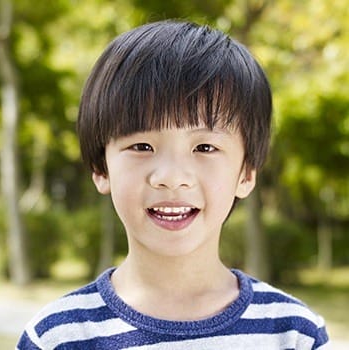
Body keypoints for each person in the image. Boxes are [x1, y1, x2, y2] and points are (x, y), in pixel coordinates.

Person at [17, 20, 329, 349]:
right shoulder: (57, 337)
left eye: (205, 148)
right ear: (101, 167)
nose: (171, 176)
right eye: (141, 147)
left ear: (246, 173)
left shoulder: (293, 334)